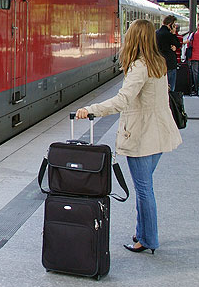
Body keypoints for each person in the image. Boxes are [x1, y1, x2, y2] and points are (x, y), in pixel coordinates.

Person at [75, 19, 182, 254]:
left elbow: (122, 101)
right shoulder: (158, 63)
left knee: (144, 190)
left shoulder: (139, 67)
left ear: (133, 38)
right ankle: (142, 233)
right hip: (160, 133)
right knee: (146, 187)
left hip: (143, 136)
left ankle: (148, 239)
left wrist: (92, 109)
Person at [155, 15, 180, 91]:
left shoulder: (156, 33)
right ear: (170, 24)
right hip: (170, 63)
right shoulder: (169, 35)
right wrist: (173, 33)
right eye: (174, 25)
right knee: (170, 88)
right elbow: (178, 44)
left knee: (161, 88)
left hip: (159, 63)